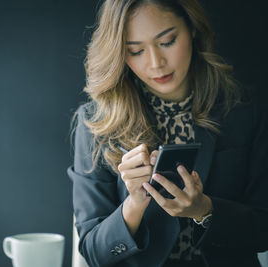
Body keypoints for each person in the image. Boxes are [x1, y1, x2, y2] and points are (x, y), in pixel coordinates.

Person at [67, 0, 268, 266]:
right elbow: (93, 253)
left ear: (192, 30)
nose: (156, 63)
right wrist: (133, 205)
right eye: (136, 51)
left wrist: (205, 211)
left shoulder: (244, 111)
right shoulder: (97, 123)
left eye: (167, 41)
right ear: (120, 54)